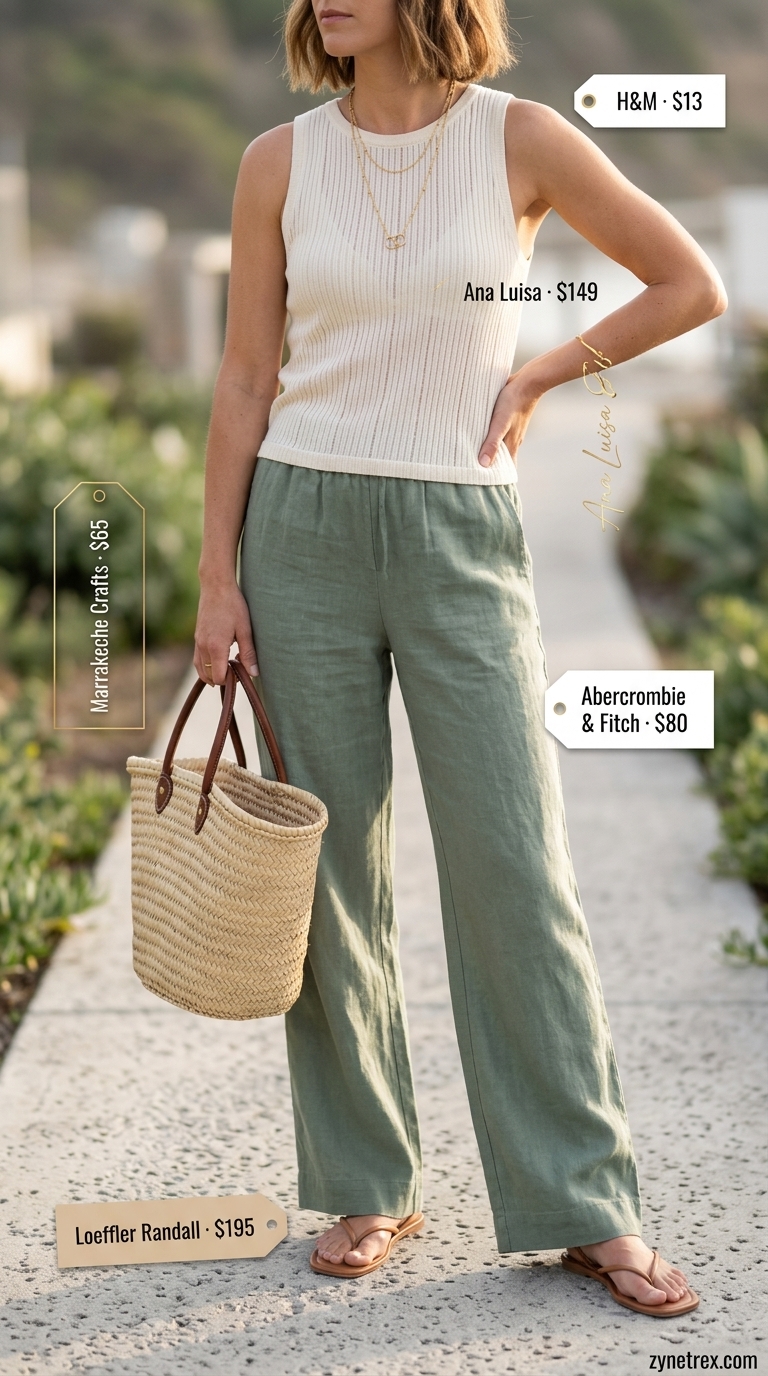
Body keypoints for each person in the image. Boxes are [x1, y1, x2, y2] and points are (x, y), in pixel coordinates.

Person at [193, 0, 725, 1316]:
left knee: (515, 868)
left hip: (456, 525)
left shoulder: (523, 139)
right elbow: (247, 378)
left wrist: (542, 374)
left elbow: (687, 282)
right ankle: (370, 1180)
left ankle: (584, 1201)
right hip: (298, 527)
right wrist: (217, 579)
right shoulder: (277, 161)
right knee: (329, 873)